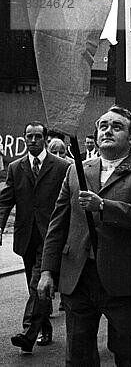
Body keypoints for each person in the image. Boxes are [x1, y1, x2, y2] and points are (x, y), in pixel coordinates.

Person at [37, 106, 131, 365]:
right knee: (79, 354)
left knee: (130, 354)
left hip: (124, 279)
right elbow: (58, 224)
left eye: (117, 126)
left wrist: (104, 206)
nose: (108, 130)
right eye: (103, 126)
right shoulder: (77, 171)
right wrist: (47, 271)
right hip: (79, 277)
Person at [0, 121, 70, 354]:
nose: (33, 140)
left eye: (38, 136)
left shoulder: (61, 166)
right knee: (37, 288)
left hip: (51, 235)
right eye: (29, 137)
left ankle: (28, 334)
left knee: (37, 281)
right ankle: (45, 328)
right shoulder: (16, 167)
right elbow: (5, 201)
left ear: (45, 139)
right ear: (24, 139)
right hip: (25, 236)